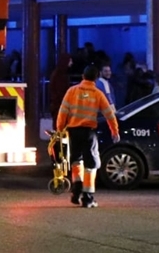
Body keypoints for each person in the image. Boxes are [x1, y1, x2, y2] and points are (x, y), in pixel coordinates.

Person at [56, 64, 120, 208]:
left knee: (76, 162)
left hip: (73, 132)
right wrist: (114, 131)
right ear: (96, 78)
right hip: (89, 133)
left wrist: (60, 129)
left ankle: (76, 192)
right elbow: (109, 114)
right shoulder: (98, 94)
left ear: (82, 76)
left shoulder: (72, 91)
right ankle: (88, 198)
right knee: (91, 164)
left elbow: (63, 112)